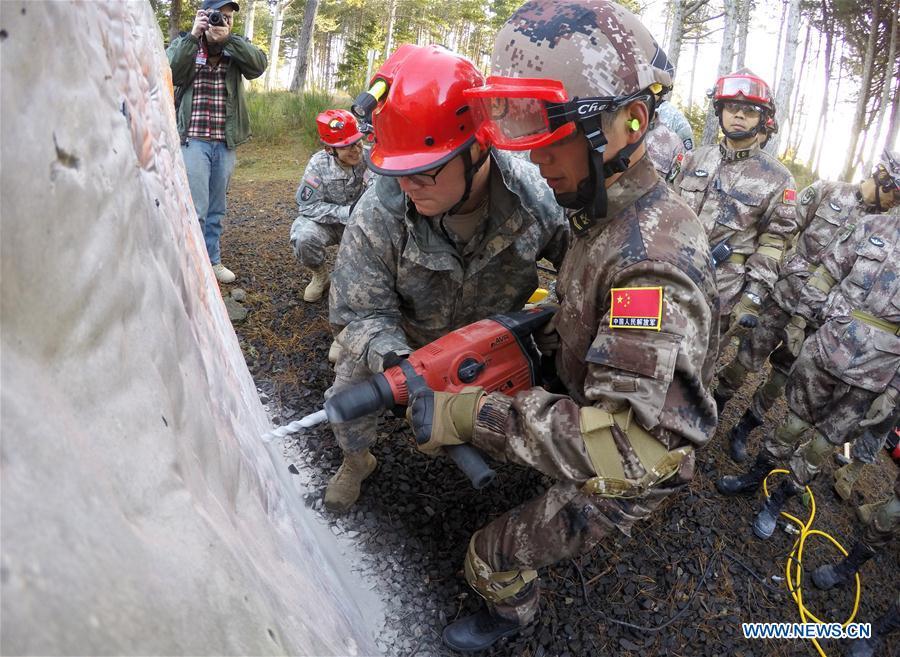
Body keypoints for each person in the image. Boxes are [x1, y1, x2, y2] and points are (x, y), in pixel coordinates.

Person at [403, 1, 719, 650]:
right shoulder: (600, 209)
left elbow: (624, 446)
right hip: (599, 403)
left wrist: (475, 417)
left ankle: (507, 611)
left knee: (488, 553)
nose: (539, 162)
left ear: (627, 124)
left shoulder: (651, 266)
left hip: (639, 456)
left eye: (554, 141)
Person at [324, 44, 570, 514]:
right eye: (397, 170)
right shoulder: (379, 211)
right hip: (406, 341)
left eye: (423, 172)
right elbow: (358, 313)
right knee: (347, 390)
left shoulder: (536, 200)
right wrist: (403, 366)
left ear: (477, 148)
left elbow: (580, 274)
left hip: (495, 344)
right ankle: (357, 461)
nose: (406, 186)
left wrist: (545, 324)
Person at [716, 211, 900, 540]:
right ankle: (754, 478)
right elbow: (827, 275)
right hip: (828, 347)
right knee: (792, 425)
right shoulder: (872, 226)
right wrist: (803, 320)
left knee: (820, 447)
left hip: (873, 373)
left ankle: (777, 502)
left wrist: (892, 393)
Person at [714, 149, 899, 462]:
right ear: (882, 177)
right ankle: (717, 406)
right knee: (747, 357)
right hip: (782, 295)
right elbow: (785, 229)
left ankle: (746, 426)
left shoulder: (880, 229)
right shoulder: (829, 191)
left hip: (821, 320)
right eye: (895, 192)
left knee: (782, 375)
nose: (896, 202)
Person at [674, 68, 797, 351]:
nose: (738, 115)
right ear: (720, 111)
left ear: (763, 119)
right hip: (670, 270)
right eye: (731, 107)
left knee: (694, 365)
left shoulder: (778, 178)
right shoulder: (693, 160)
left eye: (749, 110)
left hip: (721, 288)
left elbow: (774, 243)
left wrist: (752, 297)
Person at [167, 0, 267, 284]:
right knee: (195, 208)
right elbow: (169, 69)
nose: (222, 21)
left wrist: (230, 40)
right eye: (216, 16)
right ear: (203, 16)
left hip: (224, 141)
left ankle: (212, 261)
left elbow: (259, 66)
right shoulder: (188, 44)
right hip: (193, 139)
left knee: (216, 208)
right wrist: (192, 36)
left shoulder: (236, 47)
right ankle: (190, 265)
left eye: (228, 18)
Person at [291, 110, 368, 305]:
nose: (356, 149)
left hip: (363, 223)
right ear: (329, 149)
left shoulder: (371, 158)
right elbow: (307, 207)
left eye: (358, 141)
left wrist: (357, 215)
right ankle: (321, 276)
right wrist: (345, 213)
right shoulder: (318, 165)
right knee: (303, 237)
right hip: (330, 223)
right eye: (347, 146)